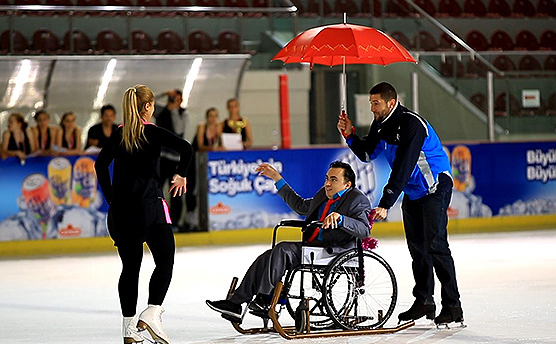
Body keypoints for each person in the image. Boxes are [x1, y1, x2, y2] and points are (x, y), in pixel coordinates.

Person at [337, 82, 464, 326]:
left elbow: (403, 167)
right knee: (417, 248)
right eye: (371, 103)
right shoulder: (380, 124)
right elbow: (367, 154)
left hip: (434, 186)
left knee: (436, 245)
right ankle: (424, 300)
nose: (372, 108)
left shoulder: (411, 124)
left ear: (391, 103)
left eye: (376, 103)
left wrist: (386, 202)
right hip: (413, 191)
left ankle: (453, 306)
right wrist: (350, 134)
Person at [206, 161, 370, 323]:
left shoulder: (357, 199)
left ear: (347, 184)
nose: (327, 183)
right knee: (267, 256)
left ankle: (266, 298)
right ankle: (235, 304)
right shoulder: (324, 194)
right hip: (313, 248)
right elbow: (300, 206)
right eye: (327, 178)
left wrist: (341, 219)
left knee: (283, 249)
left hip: (335, 250)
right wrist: (277, 178)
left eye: (333, 180)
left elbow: (364, 229)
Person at [95, 84, 193, 344]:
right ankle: (152, 312)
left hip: (121, 214)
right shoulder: (151, 132)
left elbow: (100, 165)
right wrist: (181, 174)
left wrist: (112, 198)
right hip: (150, 210)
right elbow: (186, 148)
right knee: (165, 261)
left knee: (130, 268)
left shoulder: (118, 134)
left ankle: (129, 329)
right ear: (148, 107)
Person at [155, 89, 190, 228]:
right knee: (156, 188)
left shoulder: (183, 113)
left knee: (176, 190)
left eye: (177, 98)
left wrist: (174, 109)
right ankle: (156, 218)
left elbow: (179, 129)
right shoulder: (161, 111)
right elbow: (146, 104)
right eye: (173, 98)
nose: (175, 100)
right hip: (160, 157)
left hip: (175, 159)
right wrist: (164, 94)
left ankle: (175, 221)